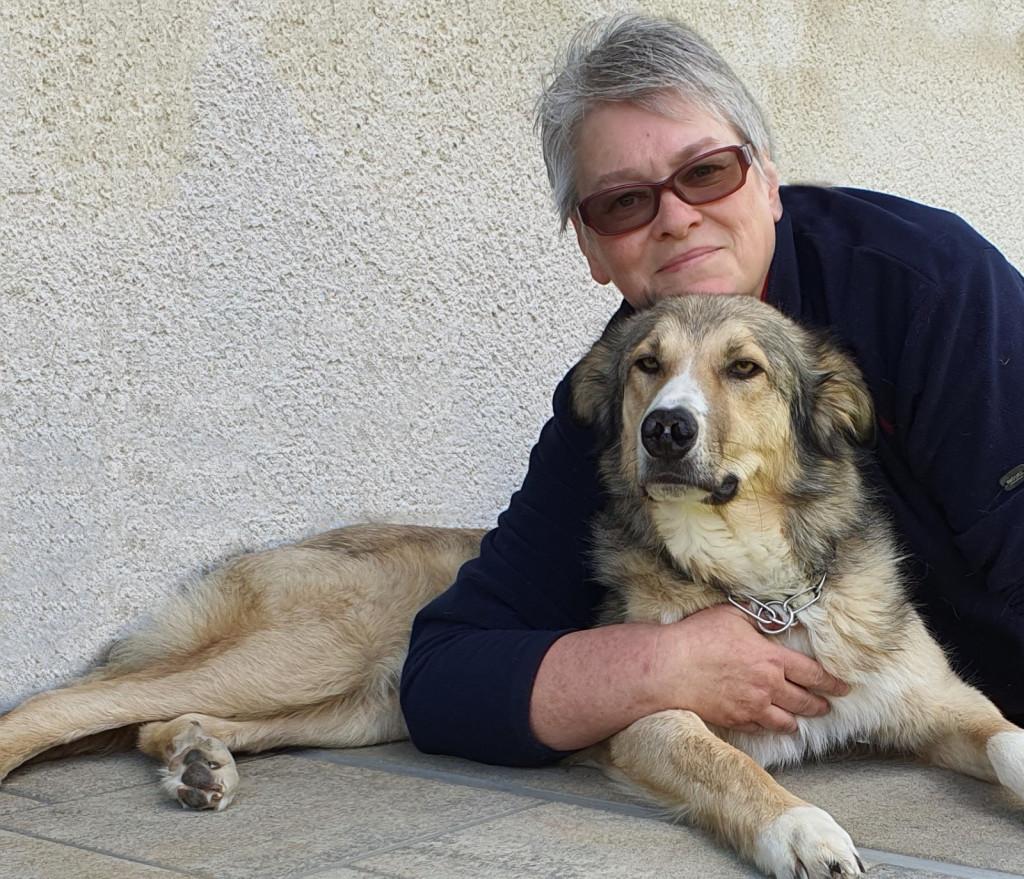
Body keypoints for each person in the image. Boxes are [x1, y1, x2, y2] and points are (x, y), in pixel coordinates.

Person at [399, 12, 1024, 766]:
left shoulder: (933, 287)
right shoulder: (622, 393)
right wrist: (660, 664)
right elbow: (444, 673)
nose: (676, 218)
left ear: (768, 180)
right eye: (624, 202)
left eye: (705, 172)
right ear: (592, 247)